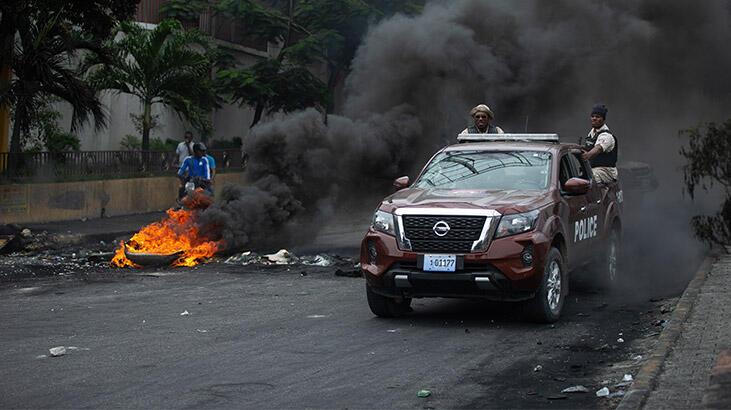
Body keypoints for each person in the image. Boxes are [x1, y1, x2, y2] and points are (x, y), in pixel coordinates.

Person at [581, 104, 618, 184]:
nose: (594, 118)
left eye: (597, 117)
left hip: (605, 171)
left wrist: (587, 155)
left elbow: (598, 148)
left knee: (588, 181)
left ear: (603, 119)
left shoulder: (606, 136)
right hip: (593, 169)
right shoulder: (591, 133)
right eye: (592, 116)